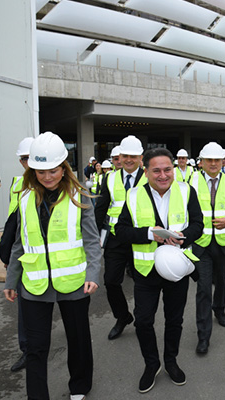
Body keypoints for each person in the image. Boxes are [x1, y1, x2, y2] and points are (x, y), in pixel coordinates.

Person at [3, 131, 101, 400]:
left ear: (63, 168)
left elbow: (92, 241)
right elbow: (19, 244)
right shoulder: (23, 199)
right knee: (35, 348)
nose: (47, 177)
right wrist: (11, 280)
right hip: (34, 284)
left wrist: (93, 273)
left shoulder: (78, 196)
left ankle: (79, 386)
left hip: (74, 282)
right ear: (32, 170)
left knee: (78, 340)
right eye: (40, 171)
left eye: (53, 170)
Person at [115, 148, 203, 393]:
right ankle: (151, 364)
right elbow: (120, 232)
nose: (163, 175)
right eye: (157, 170)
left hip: (176, 269)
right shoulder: (133, 196)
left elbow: (198, 224)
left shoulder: (186, 191)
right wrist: (147, 234)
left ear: (173, 169)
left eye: (167, 169)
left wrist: (184, 237)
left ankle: (171, 361)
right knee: (143, 321)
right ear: (146, 172)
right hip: (146, 272)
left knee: (175, 320)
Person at [95, 135, 147, 340]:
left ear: (140, 157)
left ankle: (142, 319)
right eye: (125, 156)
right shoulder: (110, 178)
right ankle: (122, 316)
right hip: (116, 239)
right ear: (119, 157)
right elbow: (101, 209)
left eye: (133, 156)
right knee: (111, 281)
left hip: (141, 237)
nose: (128, 160)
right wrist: (95, 238)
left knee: (143, 282)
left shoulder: (149, 177)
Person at [189, 142, 225, 355]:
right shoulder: (191, 181)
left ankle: (219, 310)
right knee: (203, 288)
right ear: (201, 162)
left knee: (222, 281)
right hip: (201, 244)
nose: (212, 164)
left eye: (216, 160)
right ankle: (203, 335)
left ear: (223, 162)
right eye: (208, 160)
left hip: (223, 241)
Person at [0, 136, 34, 373]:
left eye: (31, 158)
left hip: (55, 260)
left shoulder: (58, 184)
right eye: (24, 158)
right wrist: (9, 259)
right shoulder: (16, 184)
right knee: (26, 309)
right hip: (25, 255)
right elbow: (13, 224)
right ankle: (28, 351)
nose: (28, 163)